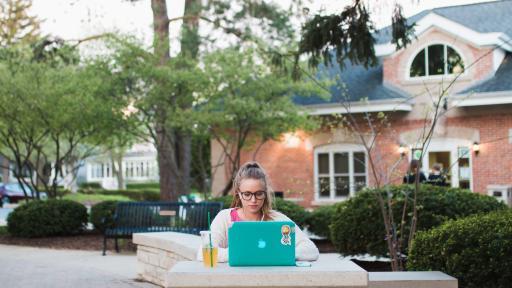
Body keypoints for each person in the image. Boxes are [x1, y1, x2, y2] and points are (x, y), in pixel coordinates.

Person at [197, 161, 319, 263]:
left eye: (259, 194)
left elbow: (311, 250)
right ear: (238, 194)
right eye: (247, 194)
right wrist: (245, 254)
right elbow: (203, 253)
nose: (253, 200)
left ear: (265, 194)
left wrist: (282, 253)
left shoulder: (277, 219)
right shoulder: (224, 218)